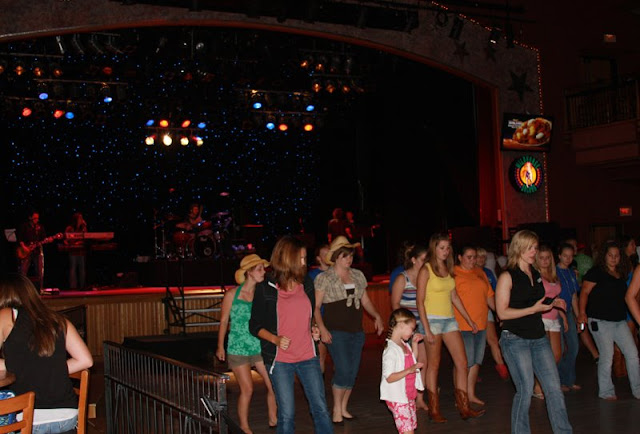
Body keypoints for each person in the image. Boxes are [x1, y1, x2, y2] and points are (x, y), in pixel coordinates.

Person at [249, 236, 332, 434]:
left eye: (305, 258)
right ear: (287, 258)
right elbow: (254, 326)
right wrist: (275, 339)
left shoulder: (307, 283)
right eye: (300, 258)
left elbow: (309, 315)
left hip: (308, 356)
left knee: (320, 408)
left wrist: (314, 328)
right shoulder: (266, 288)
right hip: (280, 360)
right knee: (287, 414)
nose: (304, 262)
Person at [495, 230, 572, 434]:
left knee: (554, 388)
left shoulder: (536, 274)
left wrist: (553, 302)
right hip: (514, 339)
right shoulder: (507, 276)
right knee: (525, 390)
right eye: (529, 248)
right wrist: (533, 309)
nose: (534, 252)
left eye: (535, 248)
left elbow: (536, 302)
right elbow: (502, 312)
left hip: (538, 337)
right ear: (518, 248)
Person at [0, 273, 93, 433]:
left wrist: (12, 365)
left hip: (29, 418)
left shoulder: (6, 315)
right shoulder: (58, 319)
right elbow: (86, 360)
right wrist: (48, 368)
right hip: (67, 417)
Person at [315, 236, 384, 424]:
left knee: (352, 372)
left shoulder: (358, 275)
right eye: (345, 256)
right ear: (336, 257)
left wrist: (377, 316)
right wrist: (322, 328)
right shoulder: (324, 278)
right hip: (335, 330)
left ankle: (344, 407)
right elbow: (316, 307)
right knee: (343, 369)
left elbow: (366, 300)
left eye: (351, 256)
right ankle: (337, 408)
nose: (349, 259)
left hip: (356, 331)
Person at [416, 233, 484, 423]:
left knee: (462, 362)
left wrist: (469, 320)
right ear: (434, 248)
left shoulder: (448, 268)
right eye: (442, 248)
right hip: (432, 320)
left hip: (450, 320)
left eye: (447, 248)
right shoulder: (426, 270)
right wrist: (426, 329)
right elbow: (420, 301)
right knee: (434, 365)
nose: (445, 251)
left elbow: (454, 297)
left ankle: (464, 407)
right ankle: (434, 410)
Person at [216, 254, 277, 433]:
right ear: (249, 272)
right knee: (247, 389)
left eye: (263, 269)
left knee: (273, 384)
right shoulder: (232, 294)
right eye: (259, 269)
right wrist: (220, 346)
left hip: (259, 345)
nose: (263, 272)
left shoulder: (261, 293)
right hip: (238, 347)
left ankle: (274, 419)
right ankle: (244, 426)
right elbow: (224, 321)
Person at [577, 241, 640, 400]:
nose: (613, 258)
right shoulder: (596, 272)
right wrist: (582, 313)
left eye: (616, 256)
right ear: (604, 256)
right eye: (610, 255)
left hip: (619, 320)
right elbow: (584, 292)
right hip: (599, 320)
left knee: (632, 354)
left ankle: (637, 389)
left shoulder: (621, 273)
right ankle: (606, 391)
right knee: (607, 356)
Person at [453, 246, 496, 406]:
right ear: (460, 257)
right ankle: (461, 396)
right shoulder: (454, 273)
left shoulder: (480, 272)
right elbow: (452, 298)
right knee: (463, 362)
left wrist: (499, 313)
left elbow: (489, 296)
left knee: (476, 360)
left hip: (481, 323)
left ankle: (470, 394)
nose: (472, 260)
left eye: (474, 257)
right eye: (469, 257)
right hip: (462, 324)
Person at [390, 243, 429, 411]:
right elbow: (395, 304)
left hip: (421, 324)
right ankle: (406, 397)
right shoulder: (402, 278)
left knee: (422, 362)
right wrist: (404, 326)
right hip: (406, 327)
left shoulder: (426, 277)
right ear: (413, 260)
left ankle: (419, 398)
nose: (426, 263)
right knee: (406, 363)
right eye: (423, 259)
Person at [380, 308, 425, 434]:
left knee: (410, 429)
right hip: (397, 397)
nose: (413, 332)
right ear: (401, 325)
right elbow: (389, 377)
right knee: (408, 431)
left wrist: (414, 344)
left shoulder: (403, 344)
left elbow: (411, 360)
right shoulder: (391, 350)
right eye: (412, 328)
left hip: (408, 395)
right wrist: (409, 370)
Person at [532, 245, 568, 399]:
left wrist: (563, 316)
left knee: (557, 355)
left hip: (554, 317)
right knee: (543, 355)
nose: (545, 261)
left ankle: (544, 383)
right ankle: (538, 386)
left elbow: (556, 298)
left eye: (548, 258)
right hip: (542, 317)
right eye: (542, 258)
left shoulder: (553, 275)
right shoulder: (535, 275)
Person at [476, 248, 509, 380]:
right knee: (476, 343)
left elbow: (494, 292)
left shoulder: (488, 272)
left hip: (487, 309)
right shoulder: (468, 272)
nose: (481, 259)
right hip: (472, 313)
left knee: (493, 339)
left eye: (483, 257)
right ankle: (472, 371)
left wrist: (498, 311)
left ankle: (501, 366)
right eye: (478, 256)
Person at [556, 243, 582, 392]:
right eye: (565, 256)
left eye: (571, 256)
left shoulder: (572, 273)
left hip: (569, 312)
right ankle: (560, 380)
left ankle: (569, 379)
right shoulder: (554, 272)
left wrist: (579, 317)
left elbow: (574, 296)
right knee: (559, 348)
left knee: (574, 346)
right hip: (556, 313)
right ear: (559, 256)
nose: (568, 259)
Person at [308, 244, 330, 373]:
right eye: (325, 254)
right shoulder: (312, 275)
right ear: (318, 258)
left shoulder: (337, 272)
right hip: (318, 317)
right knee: (321, 355)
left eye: (330, 253)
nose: (329, 256)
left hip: (334, 319)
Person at [16, 211, 47, 290]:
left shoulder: (40, 227)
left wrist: (47, 240)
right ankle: (21, 289)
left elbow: (43, 238)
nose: (37, 220)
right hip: (26, 251)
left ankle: (40, 289)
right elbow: (20, 239)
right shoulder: (24, 226)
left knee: (40, 271)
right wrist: (24, 247)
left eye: (37, 218)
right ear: (30, 218)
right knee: (23, 271)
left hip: (37, 251)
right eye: (35, 218)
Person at [64, 212, 87, 289]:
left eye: (82, 218)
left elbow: (85, 238)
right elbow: (65, 239)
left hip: (81, 251)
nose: (81, 220)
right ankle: (73, 287)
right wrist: (72, 243)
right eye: (80, 218)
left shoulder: (83, 228)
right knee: (73, 269)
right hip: (73, 252)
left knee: (82, 269)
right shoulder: (69, 228)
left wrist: (85, 226)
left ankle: (82, 286)